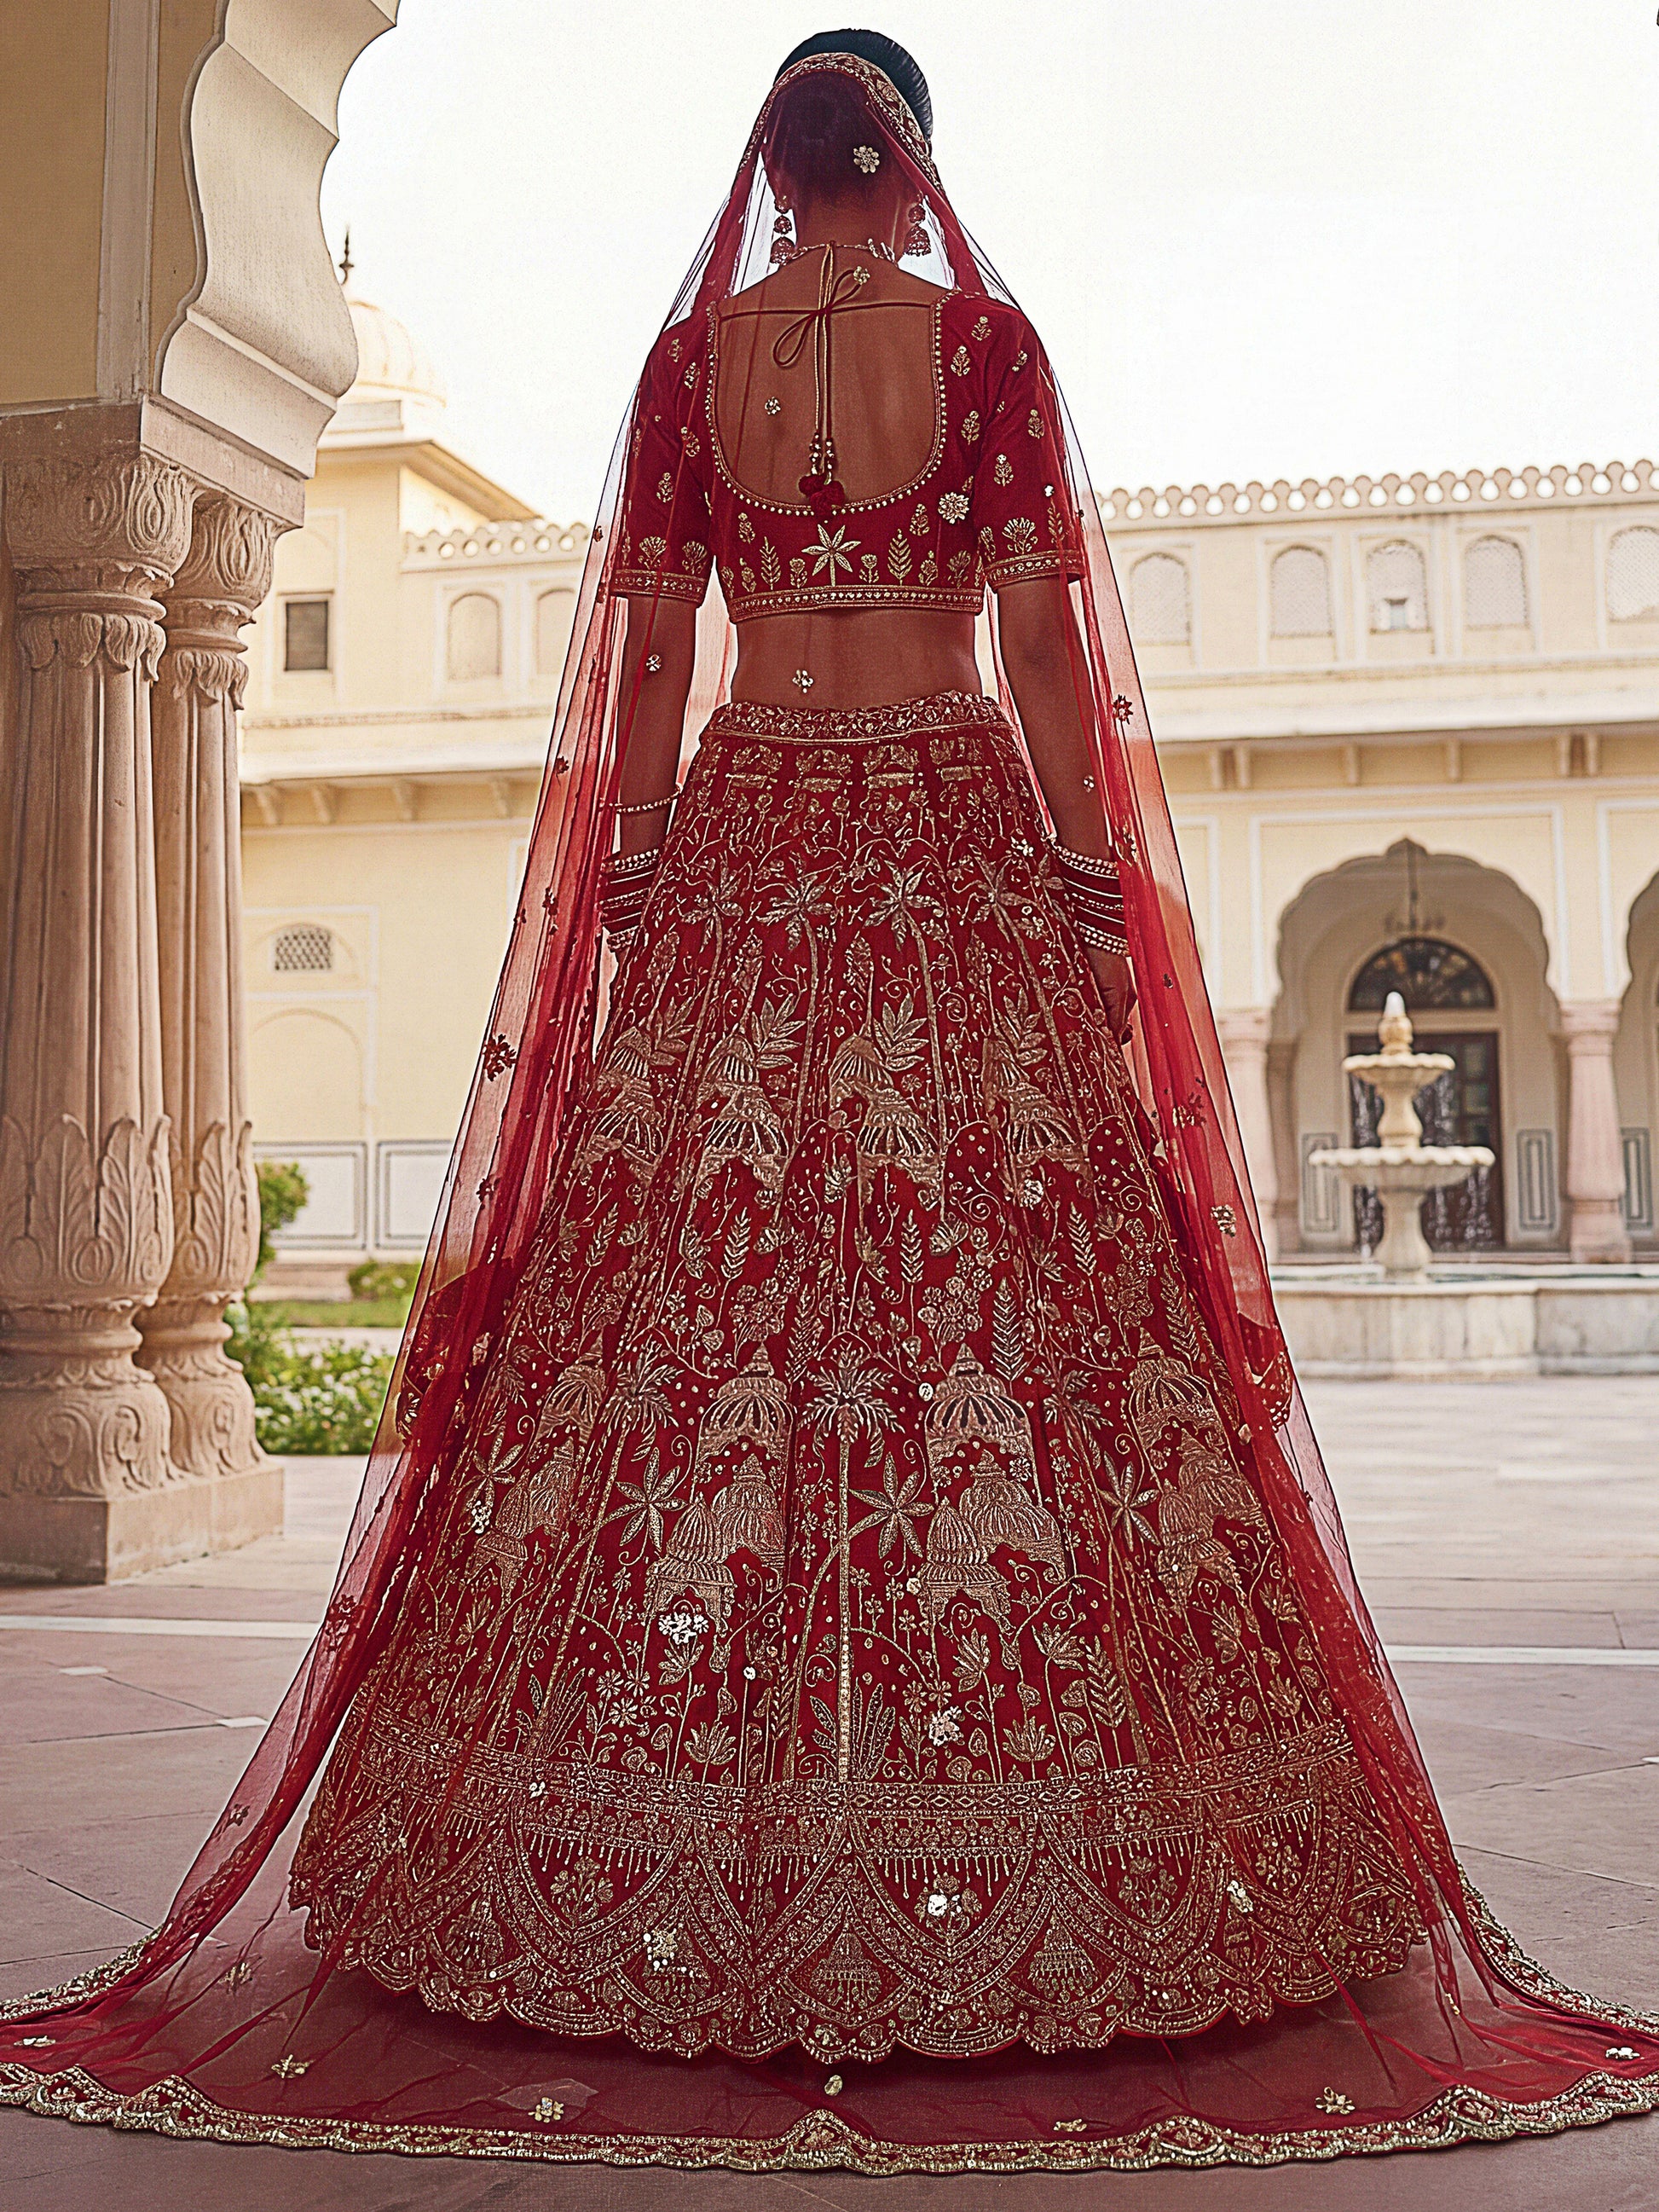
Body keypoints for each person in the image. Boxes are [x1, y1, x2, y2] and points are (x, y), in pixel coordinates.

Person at [3, 30, 1656, 2176]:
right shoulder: (985, 355)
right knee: (997, 1320)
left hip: (749, 845)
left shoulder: (688, 368)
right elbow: (1046, 649)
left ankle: (615, 1851)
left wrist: (635, 877)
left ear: (777, 176)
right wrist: (1091, 883)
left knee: (693, 1334)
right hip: (952, 834)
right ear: (914, 168)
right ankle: (1046, 1831)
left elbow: (645, 654)